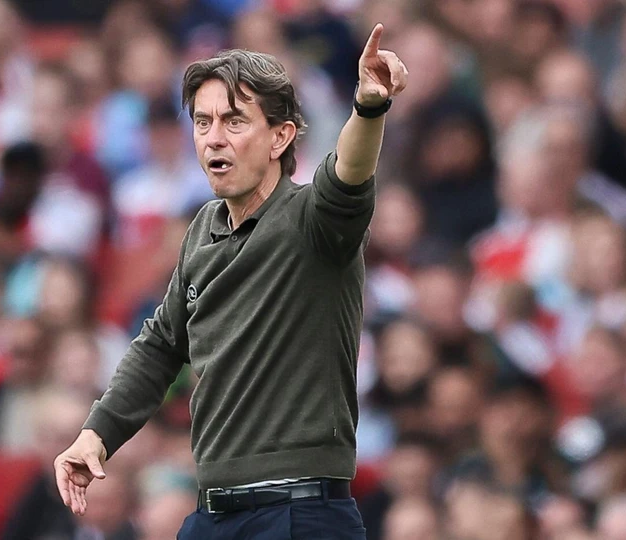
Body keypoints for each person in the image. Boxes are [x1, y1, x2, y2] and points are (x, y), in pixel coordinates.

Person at [54, 23, 408, 539]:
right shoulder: (202, 228)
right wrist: (96, 434)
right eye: (203, 121)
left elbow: (348, 176)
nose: (214, 137)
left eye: (235, 120)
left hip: (300, 512)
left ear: (280, 136)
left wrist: (369, 107)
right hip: (214, 513)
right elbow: (160, 346)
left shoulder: (315, 220)